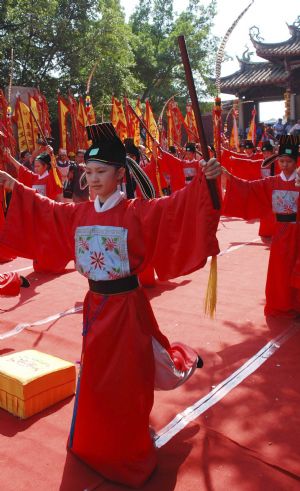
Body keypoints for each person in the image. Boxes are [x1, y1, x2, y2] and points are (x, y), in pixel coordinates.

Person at [0, 122, 221, 488]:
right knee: (97, 383)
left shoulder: (137, 211)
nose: (93, 179)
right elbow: (47, 211)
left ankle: (127, 454)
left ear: (120, 174)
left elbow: (177, 208)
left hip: (126, 311)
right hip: (95, 309)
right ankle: (93, 446)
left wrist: (205, 182)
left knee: (127, 385)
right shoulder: (80, 214)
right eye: (88, 172)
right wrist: (14, 187)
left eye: (101, 172)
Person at [222, 135, 300, 318]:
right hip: (281, 233)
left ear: (296, 161)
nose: (285, 165)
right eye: (282, 161)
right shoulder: (272, 182)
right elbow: (249, 188)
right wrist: (228, 178)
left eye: (289, 161)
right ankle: (282, 305)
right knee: (280, 272)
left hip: (298, 234)